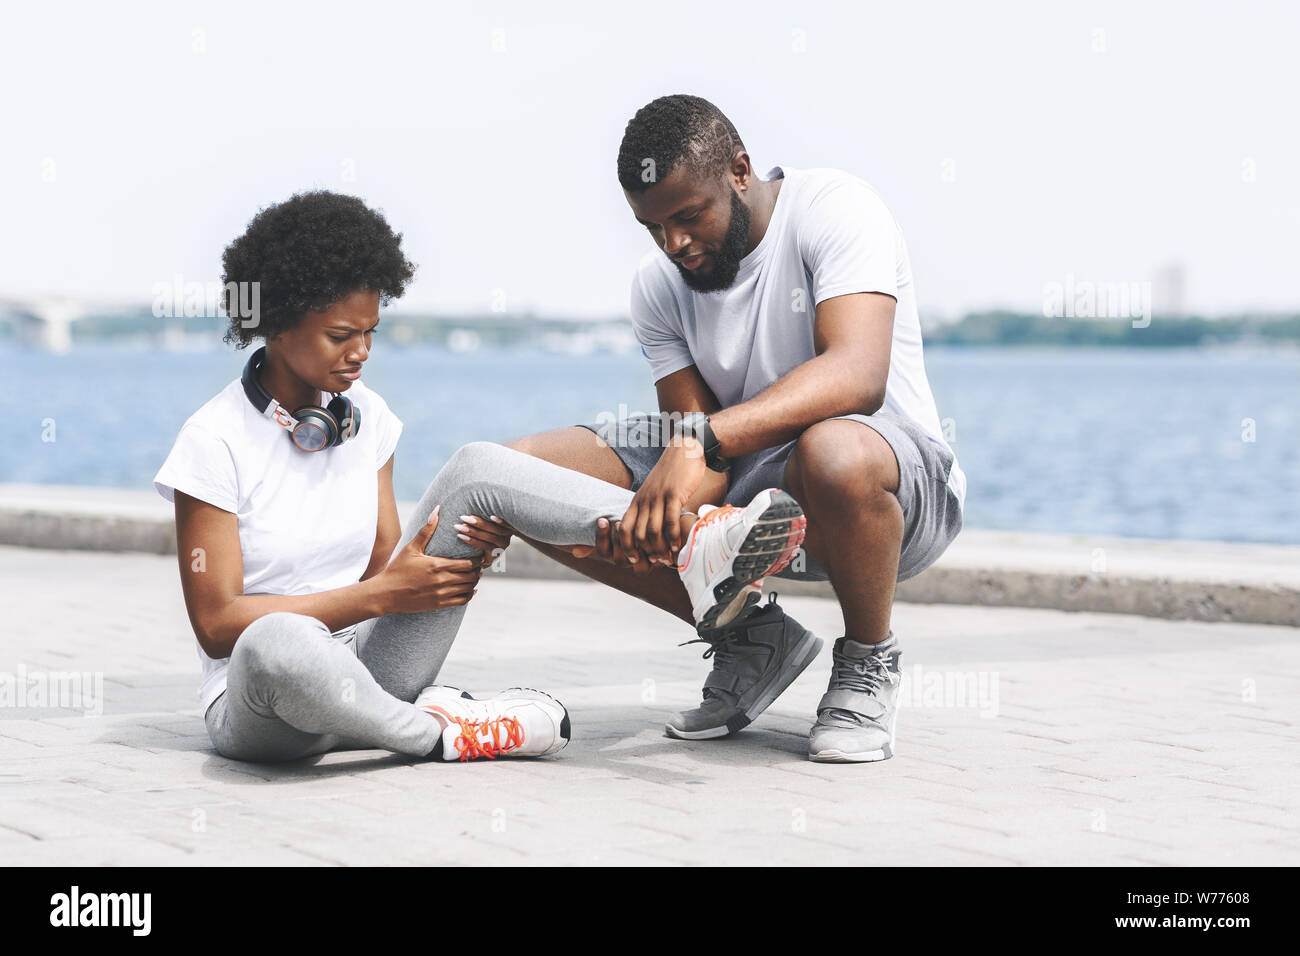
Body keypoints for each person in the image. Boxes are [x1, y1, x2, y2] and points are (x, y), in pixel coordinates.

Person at [154, 189, 805, 765]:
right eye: (340, 335)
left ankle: (692, 545)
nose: (361, 353)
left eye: (372, 332)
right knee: (277, 640)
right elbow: (217, 624)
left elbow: (388, 566)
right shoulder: (213, 442)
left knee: (477, 466)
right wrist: (382, 597)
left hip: (374, 669)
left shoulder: (367, 419)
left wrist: (424, 569)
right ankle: (438, 733)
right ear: (276, 321)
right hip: (270, 705)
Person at [498, 94, 966, 763]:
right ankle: (753, 639)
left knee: (830, 448)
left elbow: (858, 375)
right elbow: (695, 436)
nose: (675, 244)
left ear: (740, 171)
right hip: (753, 492)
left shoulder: (835, 207)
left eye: (689, 217)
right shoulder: (658, 285)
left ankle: (868, 659)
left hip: (888, 488)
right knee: (525, 478)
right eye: (653, 228)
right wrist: (668, 505)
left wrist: (703, 442)